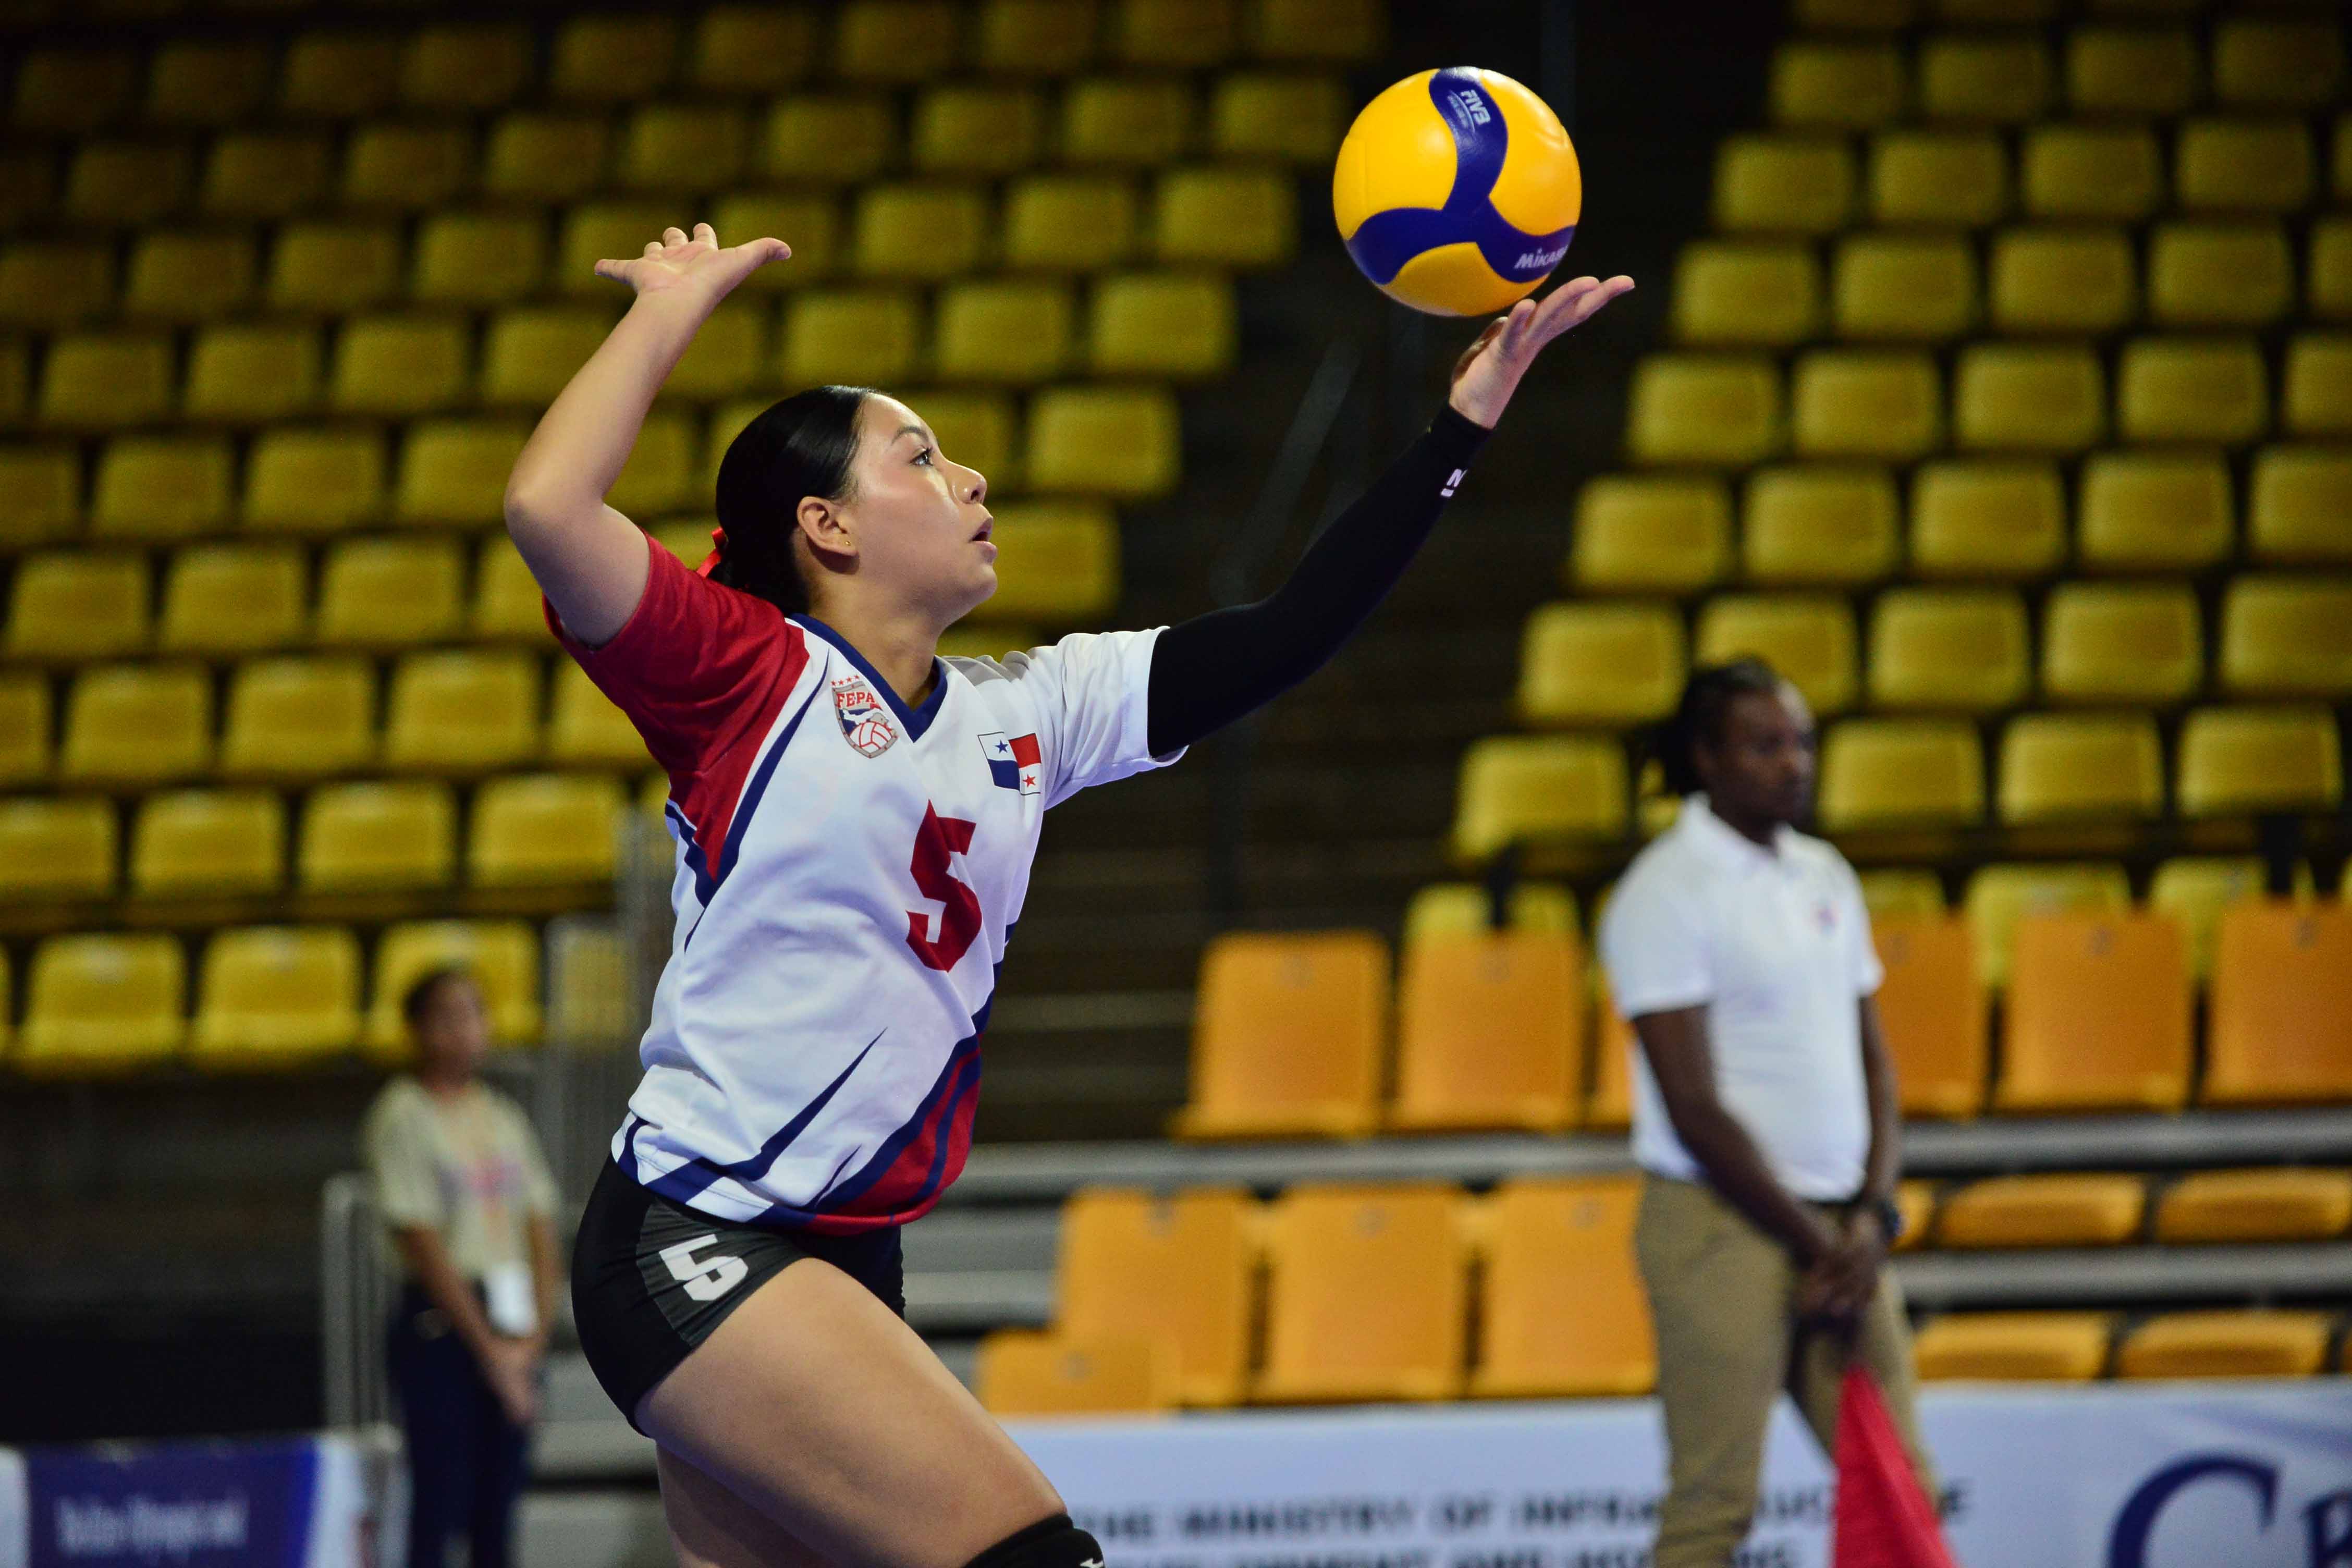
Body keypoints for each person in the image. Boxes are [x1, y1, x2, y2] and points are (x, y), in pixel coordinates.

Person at [503, 220, 1630, 1568]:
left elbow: (1291, 631)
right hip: (702, 1232)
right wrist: (670, 307)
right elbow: (549, 507)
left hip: (847, 1248)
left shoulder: (1029, 708)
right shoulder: (743, 671)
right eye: (919, 456)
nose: (969, 476)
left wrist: (1461, 427)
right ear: (826, 525)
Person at [1596, 659, 1938, 1568]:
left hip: (1839, 1227)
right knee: (1716, 1505)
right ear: (1706, 757)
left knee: (1907, 1489)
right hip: (1720, 1226)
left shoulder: (1824, 872)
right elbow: (1694, 1109)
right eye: (1765, 745)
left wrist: (1872, 1214)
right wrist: (1823, 1243)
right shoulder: (1664, 892)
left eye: (1802, 743)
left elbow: (1874, 1061)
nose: (1794, 763)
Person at [361, 966, 561, 1568]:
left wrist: (532, 1340)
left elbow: (540, 1224)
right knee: (440, 1497)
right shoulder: (404, 1114)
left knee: (499, 1505)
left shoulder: (503, 1116)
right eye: (448, 1016)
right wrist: (490, 1352)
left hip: (509, 1311)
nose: (466, 1028)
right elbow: (422, 1241)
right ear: (419, 1029)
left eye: (475, 1013)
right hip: (442, 1321)